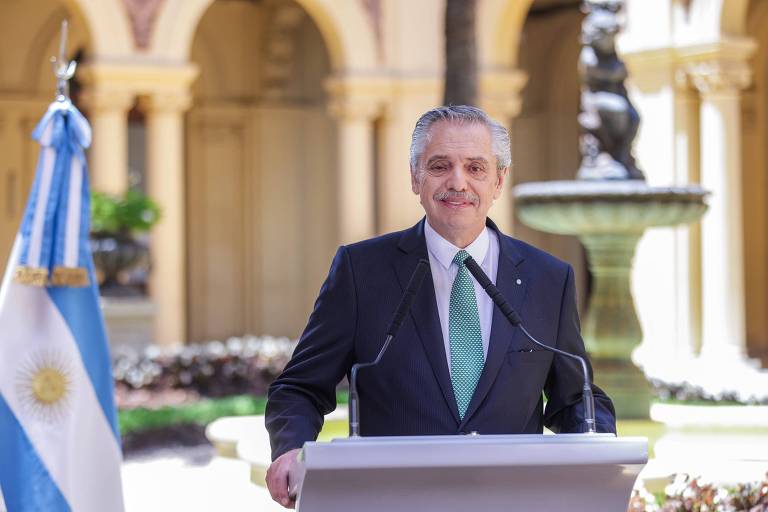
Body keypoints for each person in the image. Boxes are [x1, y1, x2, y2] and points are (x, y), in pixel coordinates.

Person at [265, 105, 616, 508]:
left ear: (499, 180)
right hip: (392, 500)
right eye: (439, 166)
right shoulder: (362, 272)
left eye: (476, 167)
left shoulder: (548, 279)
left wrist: (603, 455)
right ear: (415, 177)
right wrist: (290, 448)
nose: (458, 182)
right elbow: (299, 388)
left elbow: (577, 398)